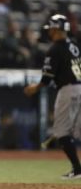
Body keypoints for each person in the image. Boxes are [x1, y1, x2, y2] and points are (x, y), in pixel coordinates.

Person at [24, 14, 81, 180]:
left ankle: (77, 169)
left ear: (56, 29)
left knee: (62, 132)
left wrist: (35, 88)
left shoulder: (55, 48)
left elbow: (47, 78)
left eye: (51, 29)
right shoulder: (74, 45)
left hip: (68, 90)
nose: (49, 32)